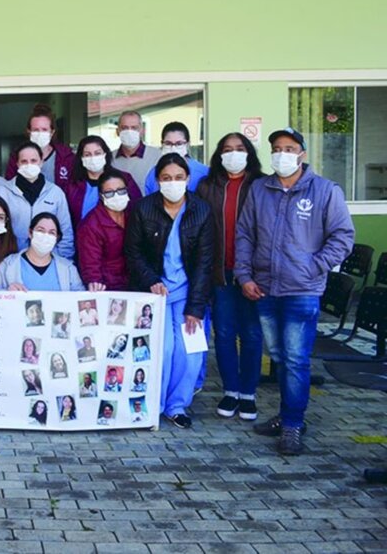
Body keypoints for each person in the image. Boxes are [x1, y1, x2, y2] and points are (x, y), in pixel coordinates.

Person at [235, 127, 354, 455]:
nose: (282, 154)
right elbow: (244, 234)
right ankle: (289, 415)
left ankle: (291, 424)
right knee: (279, 357)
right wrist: (244, 275)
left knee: (296, 360)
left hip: (302, 291)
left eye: (289, 148)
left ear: (302, 153)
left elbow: (343, 236)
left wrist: (313, 266)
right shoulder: (260, 189)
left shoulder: (325, 190)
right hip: (265, 288)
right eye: (276, 148)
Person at [125, 153, 215, 430]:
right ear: (157, 181)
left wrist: (196, 308)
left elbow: (205, 263)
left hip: (189, 292)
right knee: (162, 350)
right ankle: (154, 405)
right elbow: (134, 252)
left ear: (188, 179)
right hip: (155, 294)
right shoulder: (143, 209)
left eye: (178, 178)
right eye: (166, 178)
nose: (172, 183)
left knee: (189, 354)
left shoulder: (201, 210)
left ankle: (177, 406)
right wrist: (151, 279)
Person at [197, 132, 264, 421]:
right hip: (219, 271)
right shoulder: (207, 185)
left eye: (239, 148)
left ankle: (248, 393)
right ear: (218, 154)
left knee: (251, 333)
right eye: (227, 149)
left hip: (252, 272)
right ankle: (230, 391)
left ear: (248, 152)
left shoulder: (262, 185)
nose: (233, 154)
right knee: (223, 334)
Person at [0, 141, 75, 256]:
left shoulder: (56, 193)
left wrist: (61, 261)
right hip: (11, 261)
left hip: (48, 261)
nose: (29, 165)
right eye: (24, 161)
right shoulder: (2, 193)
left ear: (41, 162)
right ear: (17, 164)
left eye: (33, 161)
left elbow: (66, 233)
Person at [0, 212, 85, 292]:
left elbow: (81, 301)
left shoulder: (68, 269)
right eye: (40, 230)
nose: (46, 235)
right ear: (30, 233)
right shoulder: (8, 264)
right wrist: (7, 293)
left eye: (52, 233)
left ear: (57, 238)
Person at [65, 135, 143, 230]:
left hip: (119, 239)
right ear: (81, 158)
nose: (93, 158)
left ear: (105, 154)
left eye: (97, 153)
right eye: (87, 155)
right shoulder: (72, 185)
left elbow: (137, 209)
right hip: (84, 239)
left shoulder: (124, 179)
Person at [77, 170, 133, 292]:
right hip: (107, 287)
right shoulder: (91, 225)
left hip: (133, 282)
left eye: (121, 190)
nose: (116, 196)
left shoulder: (133, 215)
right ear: (101, 196)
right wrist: (94, 281)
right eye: (109, 193)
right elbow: (90, 262)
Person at [4, 105, 76, 189]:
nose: (40, 133)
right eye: (36, 130)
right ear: (29, 131)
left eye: (44, 129)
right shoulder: (17, 156)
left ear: (52, 132)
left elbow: (73, 190)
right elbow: (10, 186)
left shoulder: (66, 157)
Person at [143, 122, 211, 195]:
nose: (173, 147)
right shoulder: (153, 174)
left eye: (179, 143)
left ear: (188, 144)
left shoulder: (204, 173)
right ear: (162, 144)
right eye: (168, 143)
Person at [110, 110, 162, 193]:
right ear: (117, 131)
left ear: (142, 131)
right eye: (124, 128)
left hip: (148, 205)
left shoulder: (157, 156)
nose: (129, 131)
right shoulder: (109, 158)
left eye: (134, 128)